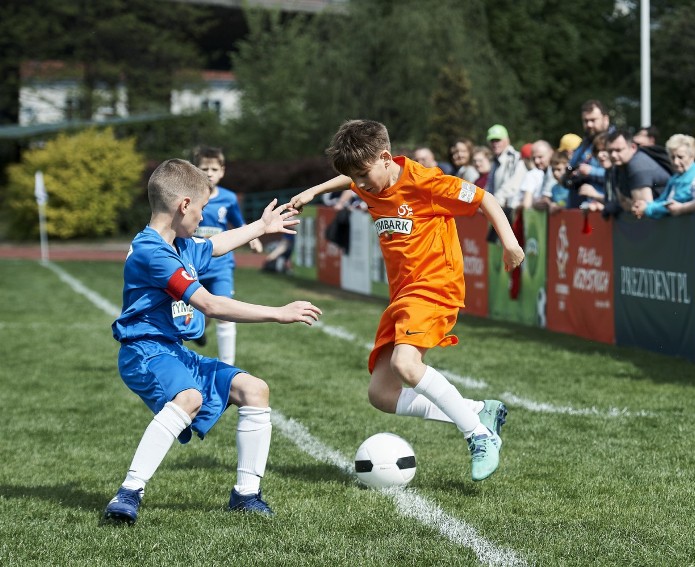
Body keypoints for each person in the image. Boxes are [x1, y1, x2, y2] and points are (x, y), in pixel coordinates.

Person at [287, 119, 525, 482]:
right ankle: (479, 411)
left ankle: (478, 435)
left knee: (405, 364)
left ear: (386, 157)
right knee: (382, 394)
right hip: (403, 295)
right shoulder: (369, 179)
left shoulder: (426, 182)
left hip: (435, 285)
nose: (361, 184)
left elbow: (484, 199)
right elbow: (349, 179)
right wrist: (312, 192)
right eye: (357, 178)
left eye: (365, 175)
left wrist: (509, 243)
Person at [103, 159, 322, 524]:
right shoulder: (151, 252)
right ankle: (129, 491)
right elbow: (211, 305)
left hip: (173, 351)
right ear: (184, 205)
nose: (204, 218)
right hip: (144, 352)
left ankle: (246, 495)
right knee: (189, 399)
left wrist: (262, 226)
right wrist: (279, 313)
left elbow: (216, 244)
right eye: (202, 209)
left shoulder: (180, 242)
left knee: (254, 390)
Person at [191, 146, 263, 365]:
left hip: (221, 266)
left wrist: (253, 236)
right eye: (204, 168)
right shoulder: (188, 198)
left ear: (222, 171)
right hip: (192, 266)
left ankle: (227, 367)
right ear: (195, 170)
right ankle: (198, 329)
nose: (209, 173)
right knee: (194, 316)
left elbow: (239, 223)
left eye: (214, 168)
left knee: (224, 313)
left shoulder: (229, 198)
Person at [634, 134, 695, 220]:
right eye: (672, 157)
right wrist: (646, 205)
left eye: (680, 157)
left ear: (692, 156)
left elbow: (672, 205)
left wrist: (647, 208)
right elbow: (662, 200)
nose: (676, 162)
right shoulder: (676, 177)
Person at [606, 128, 671, 212]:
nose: (613, 155)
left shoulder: (638, 165)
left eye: (618, 150)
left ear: (633, 147)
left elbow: (642, 210)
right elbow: (623, 202)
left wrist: (629, 205)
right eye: (610, 151)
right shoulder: (618, 166)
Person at [566, 100, 615, 208]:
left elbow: (619, 175)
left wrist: (591, 171)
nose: (589, 124)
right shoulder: (583, 144)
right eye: (585, 121)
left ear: (606, 120)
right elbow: (570, 168)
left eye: (593, 120)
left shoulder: (616, 143)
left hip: (604, 209)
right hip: (578, 209)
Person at [485, 124, 530, 215]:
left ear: (507, 140)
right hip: (497, 210)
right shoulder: (495, 161)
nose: (495, 144)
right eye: (492, 140)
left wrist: (491, 203)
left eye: (498, 140)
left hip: (512, 211)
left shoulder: (516, 159)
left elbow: (512, 186)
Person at [517, 140, 554, 211]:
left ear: (551, 153)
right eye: (533, 158)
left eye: (540, 157)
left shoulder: (555, 172)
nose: (536, 161)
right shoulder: (543, 173)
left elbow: (527, 204)